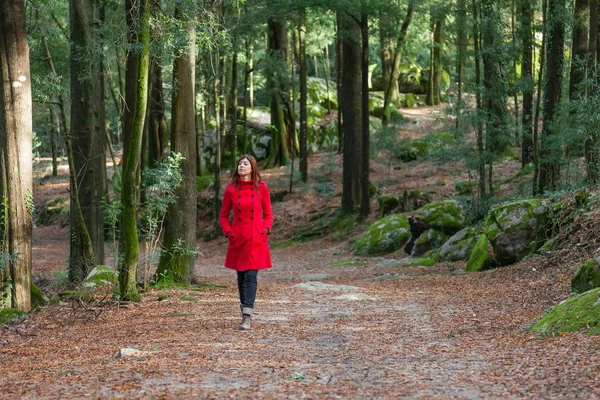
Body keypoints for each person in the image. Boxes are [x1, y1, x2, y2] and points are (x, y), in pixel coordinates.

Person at [219, 154, 274, 330]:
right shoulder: (230, 189)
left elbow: (269, 213)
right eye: (240, 163)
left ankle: (247, 315)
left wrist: (265, 230)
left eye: (245, 163)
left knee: (251, 276)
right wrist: (229, 232)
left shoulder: (261, 188)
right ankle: (244, 307)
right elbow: (223, 216)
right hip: (238, 239)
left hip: (256, 239)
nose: (241, 166)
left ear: (252, 168)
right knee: (241, 277)